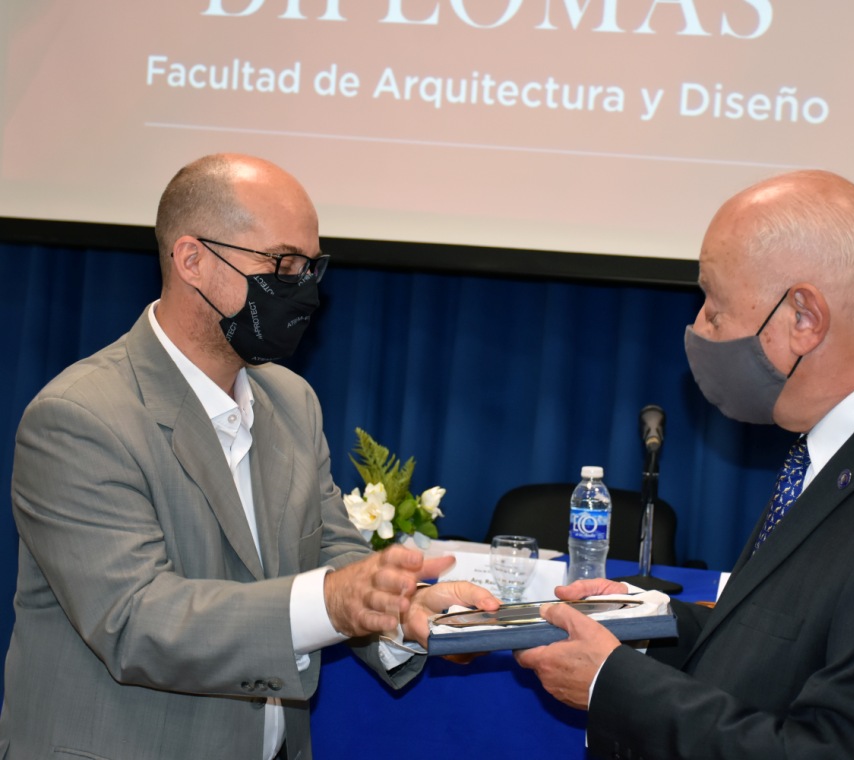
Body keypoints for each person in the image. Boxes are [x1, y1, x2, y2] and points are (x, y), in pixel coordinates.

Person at [0, 153, 499, 760]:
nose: (304, 287)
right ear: (193, 261)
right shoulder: (80, 417)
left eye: (312, 266)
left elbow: (331, 552)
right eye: (281, 263)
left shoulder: (290, 399)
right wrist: (333, 601)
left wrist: (404, 611)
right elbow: (137, 620)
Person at [515, 170, 854, 759]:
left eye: (715, 303)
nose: (701, 325)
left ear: (803, 318)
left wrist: (613, 685)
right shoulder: (845, 444)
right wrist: (642, 619)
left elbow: (839, 751)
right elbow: (780, 645)